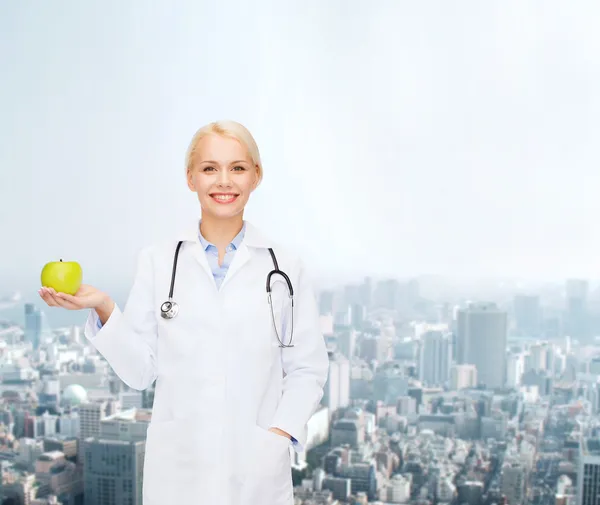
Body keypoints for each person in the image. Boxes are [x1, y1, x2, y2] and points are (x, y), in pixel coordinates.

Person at [39, 120, 330, 505]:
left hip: (258, 473)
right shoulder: (159, 261)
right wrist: (105, 308)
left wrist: (277, 437)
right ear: (191, 178)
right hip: (177, 475)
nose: (223, 181)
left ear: (256, 176)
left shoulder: (285, 267)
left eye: (237, 168)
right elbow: (141, 372)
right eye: (209, 168)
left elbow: (307, 369)